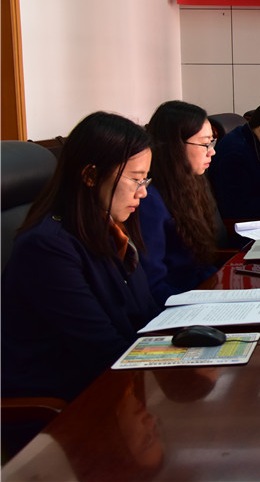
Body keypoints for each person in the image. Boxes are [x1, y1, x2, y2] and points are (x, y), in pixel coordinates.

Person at [1, 112, 161, 404]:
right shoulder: (46, 248)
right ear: (90, 176)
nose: (143, 193)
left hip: (116, 385)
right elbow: (102, 350)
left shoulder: (109, 229)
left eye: (145, 180)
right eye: (136, 180)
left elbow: (144, 314)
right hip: (64, 407)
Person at [139, 101, 220, 305]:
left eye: (212, 142)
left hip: (200, 292)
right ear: (175, 145)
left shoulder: (191, 183)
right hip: (178, 307)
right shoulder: (148, 199)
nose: (212, 151)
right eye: (205, 144)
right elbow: (153, 286)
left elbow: (199, 265)